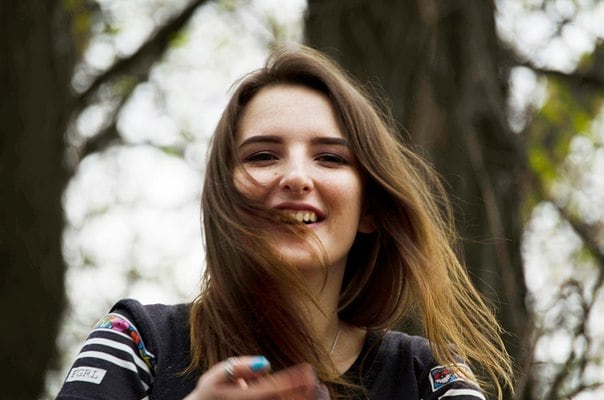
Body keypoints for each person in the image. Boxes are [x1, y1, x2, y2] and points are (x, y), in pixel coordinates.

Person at [57, 45, 514, 400]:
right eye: (262, 156)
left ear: (371, 210)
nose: (296, 177)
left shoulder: (427, 375)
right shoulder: (138, 340)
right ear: (224, 196)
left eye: (331, 158)